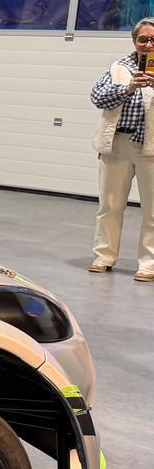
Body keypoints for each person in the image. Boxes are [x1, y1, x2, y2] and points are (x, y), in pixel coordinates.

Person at [88, 16, 154, 281]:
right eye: (143, 39)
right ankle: (103, 256)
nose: (148, 44)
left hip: (151, 149)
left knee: (153, 211)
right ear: (134, 41)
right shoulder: (118, 68)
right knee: (110, 206)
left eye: (153, 39)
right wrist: (128, 87)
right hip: (117, 145)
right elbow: (97, 97)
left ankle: (149, 264)